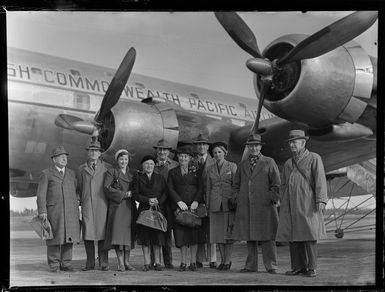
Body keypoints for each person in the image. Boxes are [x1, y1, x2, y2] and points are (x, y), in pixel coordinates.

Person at [276, 130, 328, 277]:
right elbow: (284, 184)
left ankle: (312, 268)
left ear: (303, 143)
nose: (292, 145)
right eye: (290, 142)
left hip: (308, 202)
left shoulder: (314, 158)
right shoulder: (288, 163)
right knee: (293, 236)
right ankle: (298, 267)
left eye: (295, 142)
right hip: (290, 204)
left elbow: (320, 180)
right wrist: (282, 200)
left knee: (309, 235)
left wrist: (321, 199)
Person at [232, 134, 281, 274]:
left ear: (260, 146)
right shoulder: (242, 164)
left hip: (265, 206)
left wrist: (271, 197)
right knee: (250, 236)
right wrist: (236, 198)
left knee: (268, 236)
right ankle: (250, 266)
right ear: (248, 147)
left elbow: (277, 184)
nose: (254, 148)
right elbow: (235, 185)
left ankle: (271, 265)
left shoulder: (269, 162)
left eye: (256, 145)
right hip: (246, 206)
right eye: (251, 145)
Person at [36, 146, 80, 272]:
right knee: (54, 238)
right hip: (54, 211)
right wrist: (42, 211)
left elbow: (76, 190)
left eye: (65, 156)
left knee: (69, 237)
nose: (64, 158)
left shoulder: (72, 173)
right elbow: (41, 195)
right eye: (61, 156)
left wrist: (76, 201)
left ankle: (66, 263)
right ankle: (54, 265)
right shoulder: (46, 174)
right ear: (54, 159)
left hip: (71, 211)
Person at [167, 145, 204, 272]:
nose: (183, 158)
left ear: (190, 158)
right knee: (181, 236)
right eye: (181, 156)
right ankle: (183, 262)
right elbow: (170, 188)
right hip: (180, 209)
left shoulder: (197, 171)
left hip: (193, 208)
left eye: (185, 156)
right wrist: (178, 201)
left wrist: (196, 201)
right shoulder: (172, 172)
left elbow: (201, 188)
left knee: (194, 237)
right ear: (178, 157)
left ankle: (193, 262)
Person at [77, 140, 111, 271]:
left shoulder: (107, 167)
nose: (93, 153)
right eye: (91, 150)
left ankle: (103, 262)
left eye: (96, 151)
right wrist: (80, 199)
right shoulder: (81, 169)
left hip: (102, 204)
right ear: (88, 153)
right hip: (87, 205)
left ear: (100, 153)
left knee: (102, 234)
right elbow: (79, 187)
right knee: (88, 235)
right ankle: (90, 263)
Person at [103, 149, 137, 272]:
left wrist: (133, 193)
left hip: (129, 207)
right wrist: (123, 194)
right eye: (121, 159)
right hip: (117, 207)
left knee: (128, 236)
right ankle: (120, 263)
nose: (124, 161)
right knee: (118, 236)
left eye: (126, 159)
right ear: (117, 160)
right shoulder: (111, 172)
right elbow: (107, 188)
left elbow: (137, 188)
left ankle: (127, 262)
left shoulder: (133, 173)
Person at [133, 155, 168, 272]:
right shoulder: (138, 178)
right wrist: (147, 200)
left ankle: (158, 262)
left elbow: (165, 193)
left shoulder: (160, 178)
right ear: (143, 166)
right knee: (145, 238)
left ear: (155, 166)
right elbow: (136, 194)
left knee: (157, 239)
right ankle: (146, 263)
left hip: (157, 210)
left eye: (151, 164)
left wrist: (158, 201)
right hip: (144, 210)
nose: (149, 166)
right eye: (147, 164)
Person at [206, 142, 237, 270]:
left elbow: (236, 186)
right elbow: (208, 188)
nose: (217, 154)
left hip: (228, 204)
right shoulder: (210, 169)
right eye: (215, 153)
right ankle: (223, 261)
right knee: (218, 234)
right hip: (214, 204)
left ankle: (228, 261)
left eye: (219, 152)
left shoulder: (232, 166)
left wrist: (235, 201)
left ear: (224, 152)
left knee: (228, 235)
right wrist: (208, 205)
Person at [152, 139, 179, 269]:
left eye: (165, 149)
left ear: (169, 151)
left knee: (167, 232)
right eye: (160, 149)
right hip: (155, 203)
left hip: (170, 203)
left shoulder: (175, 165)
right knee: (153, 230)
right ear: (156, 151)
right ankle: (154, 261)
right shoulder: (151, 164)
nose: (162, 152)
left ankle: (168, 261)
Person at [193, 134, 217, 269]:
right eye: (199, 144)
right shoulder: (192, 161)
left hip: (211, 199)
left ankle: (213, 259)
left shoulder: (214, 161)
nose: (201, 146)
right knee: (199, 229)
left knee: (212, 229)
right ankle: (199, 259)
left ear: (208, 146)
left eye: (204, 144)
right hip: (196, 200)